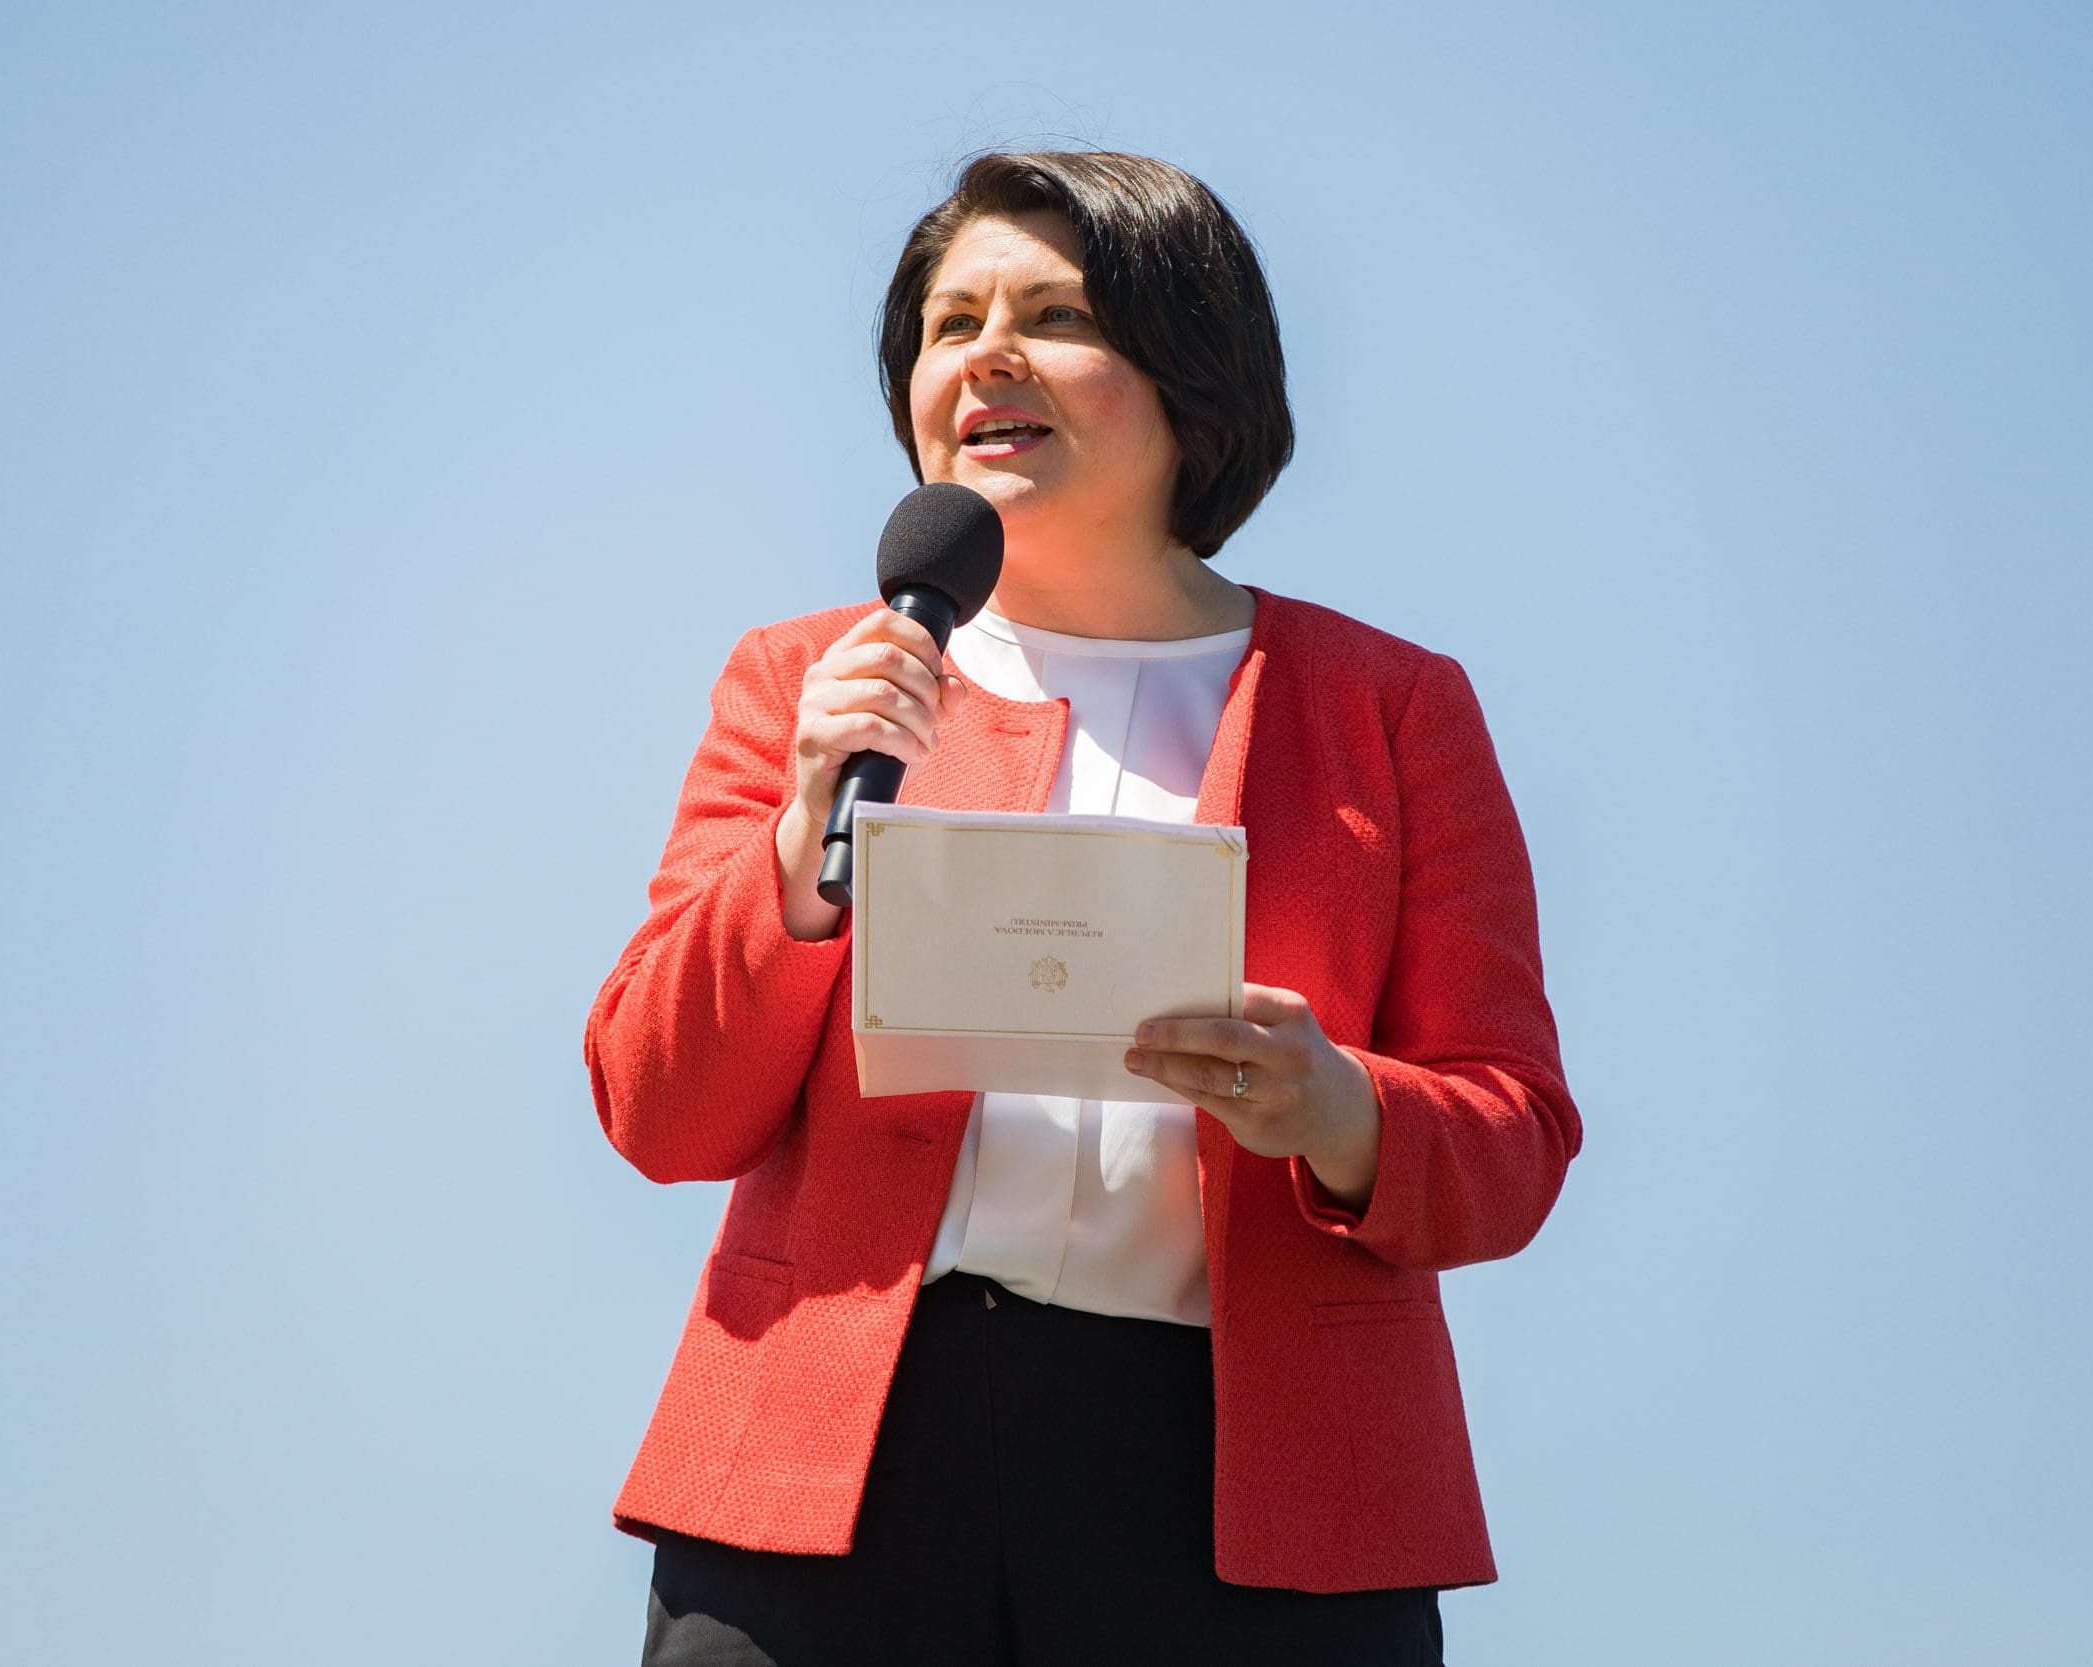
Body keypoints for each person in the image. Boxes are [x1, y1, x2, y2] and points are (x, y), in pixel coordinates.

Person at [584, 149, 1581, 1666]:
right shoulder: (804, 683)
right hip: (831, 1460)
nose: (986, 355)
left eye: (1054, 316)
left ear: (1192, 368)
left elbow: (1513, 1141)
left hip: (1251, 1491)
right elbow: (657, 1111)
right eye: (951, 323)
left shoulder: (1391, 709)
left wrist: (1339, 1109)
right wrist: (796, 842)